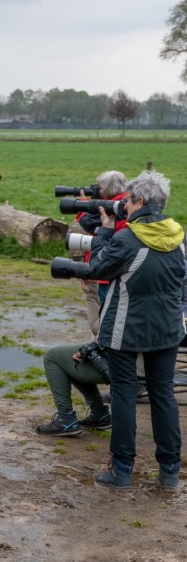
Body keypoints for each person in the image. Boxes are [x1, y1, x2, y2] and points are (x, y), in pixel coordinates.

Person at [81, 170, 184, 491]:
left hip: (126, 328)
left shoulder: (128, 238)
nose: (123, 205)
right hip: (167, 329)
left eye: (127, 200)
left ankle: (122, 469)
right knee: (163, 394)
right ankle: (169, 471)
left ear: (139, 202)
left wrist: (104, 232)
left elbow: (97, 268)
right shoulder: (179, 238)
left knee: (124, 394)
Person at [75, 170, 129, 334]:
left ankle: (105, 343)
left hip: (105, 271)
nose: (98, 190)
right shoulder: (125, 202)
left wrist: (82, 204)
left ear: (107, 188)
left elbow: (87, 222)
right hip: (112, 266)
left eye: (100, 187)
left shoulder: (112, 208)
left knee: (103, 315)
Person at [34, 343, 112, 436]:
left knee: (54, 356)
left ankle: (65, 418)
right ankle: (99, 413)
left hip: (118, 364)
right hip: (129, 364)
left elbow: (106, 334)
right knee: (77, 356)